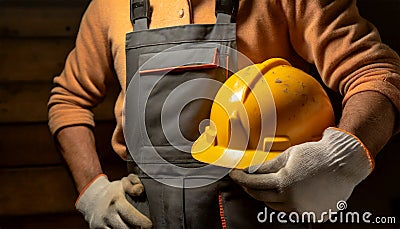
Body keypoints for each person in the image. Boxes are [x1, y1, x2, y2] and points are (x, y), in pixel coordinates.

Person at [48, 0, 400, 228]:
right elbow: (68, 99)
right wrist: (92, 191)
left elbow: (377, 73)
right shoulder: (107, 7)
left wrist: (344, 155)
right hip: (149, 216)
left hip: (261, 209)